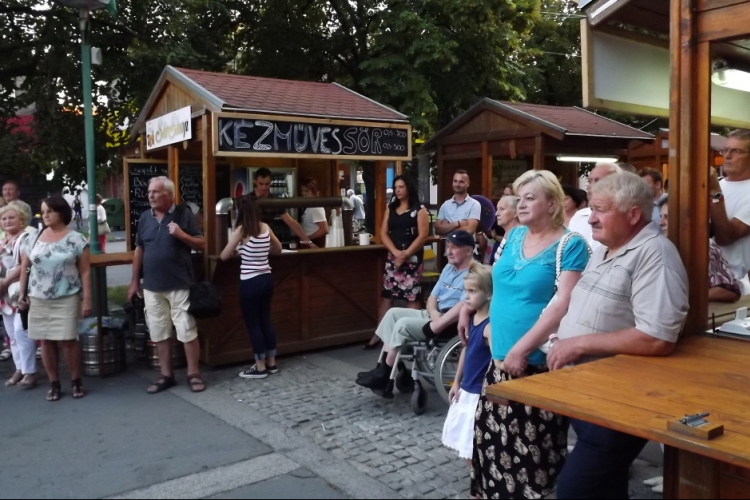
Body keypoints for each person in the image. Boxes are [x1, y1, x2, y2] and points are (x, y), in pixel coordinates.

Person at [548, 173, 689, 499]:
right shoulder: (606, 247)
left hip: (617, 403)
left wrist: (578, 343)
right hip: (590, 399)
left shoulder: (656, 255)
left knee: (574, 491)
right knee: (607, 489)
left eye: (600, 209)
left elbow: (658, 338)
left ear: (634, 215)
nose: (591, 217)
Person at [468, 170, 589, 499]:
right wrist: (483, 318)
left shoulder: (570, 244)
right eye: (519, 198)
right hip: (499, 359)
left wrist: (521, 350)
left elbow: (563, 303)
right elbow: (497, 285)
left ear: (552, 204)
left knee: (532, 455)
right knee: (492, 445)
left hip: (535, 364)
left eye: (530, 198)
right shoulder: (513, 236)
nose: (520, 205)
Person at [356, 231, 476, 393]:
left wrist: (438, 322)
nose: (448, 251)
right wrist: (433, 314)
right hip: (436, 316)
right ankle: (382, 369)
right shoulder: (449, 268)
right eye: (448, 246)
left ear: (469, 250)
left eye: (454, 247)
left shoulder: (474, 273)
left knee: (403, 324)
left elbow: (464, 305)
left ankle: (385, 375)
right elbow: (433, 296)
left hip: (449, 323)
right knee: (392, 314)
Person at [127, 177, 207, 394]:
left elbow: (202, 243)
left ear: (169, 195)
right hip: (152, 286)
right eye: (149, 191)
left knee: (186, 330)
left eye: (156, 192)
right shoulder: (145, 217)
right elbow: (139, 250)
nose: (150, 195)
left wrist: (181, 234)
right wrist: (135, 281)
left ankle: (193, 374)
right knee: (159, 332)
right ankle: (166, 375)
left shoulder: (183, 214)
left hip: (179, 283)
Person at [18, 196, 92, 401]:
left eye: (50, 210)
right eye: (43, 211)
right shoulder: (32, 238)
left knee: (68, 341)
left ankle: (76, 380)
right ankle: (54, 382)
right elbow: (25, 267)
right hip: (38, 298)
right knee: (46, 341)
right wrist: (22, 294)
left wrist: (87, 299)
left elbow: (85, 271)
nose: (46, 215)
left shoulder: (76, 239)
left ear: (62, 212)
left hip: (66, 296)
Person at [364, 175, 429, 350]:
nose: (398, 190)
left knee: (412, 297)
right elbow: (383, 233)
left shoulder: (419, 209)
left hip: (412, 257)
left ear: (408, 188)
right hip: (393, 257)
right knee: (387, 296)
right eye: (396, 187)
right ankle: (379, 335)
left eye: (401, 187)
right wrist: (395, 253)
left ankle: (413, 335)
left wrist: (405, 254)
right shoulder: (390, 208)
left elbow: (423, 235)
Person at [220, 196, 283, 379]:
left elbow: (224, 256)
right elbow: (278, 249)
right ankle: (271, 363)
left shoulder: (241, 230)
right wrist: (262, 252)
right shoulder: (265, 227)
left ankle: (259, 367)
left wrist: (237, 250)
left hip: (250, 282)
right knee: (266, 321)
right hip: (266, 279)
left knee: (253, 324)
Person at [441, 262, 493, 462]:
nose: (467, 296)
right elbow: (466, 349)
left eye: (472, 291)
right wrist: (457, 382)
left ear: (488, 293)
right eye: (465, 290)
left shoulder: (490, 326)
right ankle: (476, 483)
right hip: (467, 388)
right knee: (466, 447)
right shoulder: (472, 318)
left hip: (479, 392)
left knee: (475, 447)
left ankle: (479, 486)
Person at [659, 196, 740, 302]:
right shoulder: (662, 245)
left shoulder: (703, 247)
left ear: (683, 219)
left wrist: (684, 299)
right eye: (661, 216)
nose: (661, 222)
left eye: (667, 217)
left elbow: (730, 291)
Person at [0, 201, 37, 388]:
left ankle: (30, 372)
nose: (7, 221)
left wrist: (5, 283)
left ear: (22, 220)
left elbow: (25, 265)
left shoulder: (25, 238)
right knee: (12, 335)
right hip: (3, 296)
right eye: (4, 218)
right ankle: (19, 369)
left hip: (20, 292)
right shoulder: (1, 241)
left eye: (11, 217)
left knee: (21, 332)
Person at [709, 129, 750, 294]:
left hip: (736, 287)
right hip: (707, 280)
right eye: (725, 150)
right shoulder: (718, 183)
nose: (727, 156)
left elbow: (725, 237)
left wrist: (714, 194)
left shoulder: (715, 188)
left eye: (736, 151)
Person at [250, 168, 316, 248]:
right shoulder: (247, 200)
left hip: (269, 243)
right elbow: (239, 225)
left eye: (267, 184)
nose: (264, 187)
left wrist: (309, 242)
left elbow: (291, 223)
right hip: (251, 242)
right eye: (261, 184)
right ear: (255, 182)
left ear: (270, 183)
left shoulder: (274, 201)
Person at [568, 162, 622, 251]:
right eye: (589, 181)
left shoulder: (620, 215)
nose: (591, 186)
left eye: (598, 181)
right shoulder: (578, 216)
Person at [435, 170, 481, 236]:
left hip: (466, 245)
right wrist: (457, 224)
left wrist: (447, 228)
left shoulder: (474, 204)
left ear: (468, 183)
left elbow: (469, 230)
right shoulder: (445, 205)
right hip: (449, 246)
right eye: (455, 181)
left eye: (461, 182)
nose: (457, 184)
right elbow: (437, 230)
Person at [487, 195, 520, 266]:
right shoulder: (508, 233)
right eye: (497, 209)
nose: (496, 214)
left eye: (502, 209)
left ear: (515, 213)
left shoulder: (519, 237)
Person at [299, 178, 329, 248]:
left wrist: (308, 239)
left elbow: (324, 229)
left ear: (314, 192)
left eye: (306, 191)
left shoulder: (316, 207)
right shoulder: (309, 206)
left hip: (315, 243)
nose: (303, 193)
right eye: (302, 191)